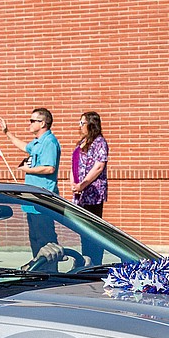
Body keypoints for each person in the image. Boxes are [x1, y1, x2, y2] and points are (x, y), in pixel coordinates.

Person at [0, 107, 60, 256]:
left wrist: (27, 170)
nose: (29, 124)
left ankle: (50, 271)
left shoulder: (49, 142)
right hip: (32, 199)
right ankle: (40, 271)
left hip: (43, 199)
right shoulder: (37, 142)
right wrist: (7, 132)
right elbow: (24, 147)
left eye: (32, 120)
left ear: (43, 123)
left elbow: (50, 168)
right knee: (36, 239)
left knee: (45, 239)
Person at [71, 111, 110, 265]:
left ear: (91, 124)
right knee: (83, 231)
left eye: (82, 123)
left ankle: (94, 261)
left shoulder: (100, 142)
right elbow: (74, 164)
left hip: (92, 193)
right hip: (80, 193)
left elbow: (99, 166)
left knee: (92, 230)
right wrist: (72, 183)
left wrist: (83, 184)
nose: (79, 126)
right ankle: (86, 259)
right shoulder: (82, 141)